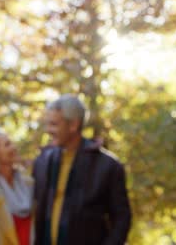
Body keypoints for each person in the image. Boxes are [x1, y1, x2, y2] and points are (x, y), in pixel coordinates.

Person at [32, 94, 131, 245]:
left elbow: (121, 219)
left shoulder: (108, 166)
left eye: (54, 124)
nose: (48, 130)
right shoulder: (42, 161)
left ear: (73, 125)